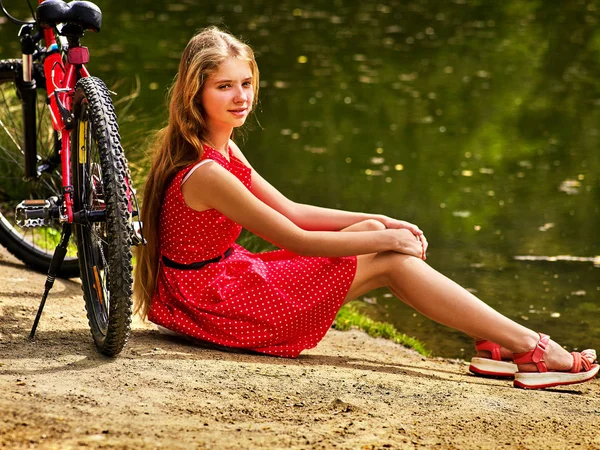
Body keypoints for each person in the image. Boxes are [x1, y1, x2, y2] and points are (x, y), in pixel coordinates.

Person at [134, 26, 598, 390]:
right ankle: (530, 349)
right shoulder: (206, 171)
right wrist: (387, 240)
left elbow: (293, 210)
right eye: (225, 87)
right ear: (196, 93)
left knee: (379, 234)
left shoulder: (220, 149)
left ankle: (496, 343)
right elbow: (295, 238)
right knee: (392, 261)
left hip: (215, 286)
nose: (241, 97)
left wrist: (384, 222)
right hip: (216, 304)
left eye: (247, 83)